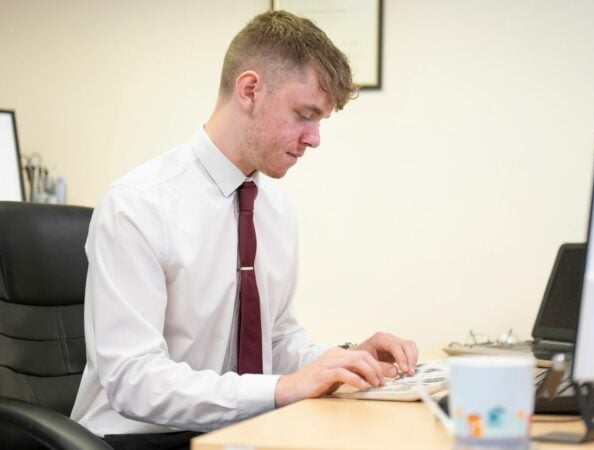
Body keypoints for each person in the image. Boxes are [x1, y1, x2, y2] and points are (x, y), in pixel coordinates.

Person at [71, 9, 418, 449]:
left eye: (320, 121)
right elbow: (134, 381)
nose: (314, 138)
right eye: (304, 114)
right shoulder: (138, 206)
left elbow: (276, 340)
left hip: (236, 432)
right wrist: (280, 390)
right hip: (129, 439)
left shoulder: (274, 206)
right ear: (250, 90)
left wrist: (346, 360)